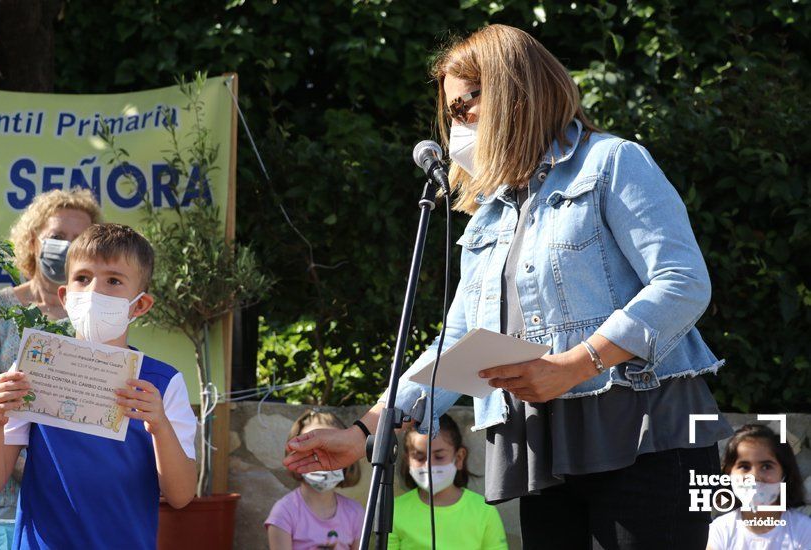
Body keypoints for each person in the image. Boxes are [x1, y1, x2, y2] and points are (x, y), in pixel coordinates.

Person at [284, 24, 733, 549]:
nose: (459, 124)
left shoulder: (612, 162)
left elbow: (682, 283)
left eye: (466, 104)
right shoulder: (488, 216)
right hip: (541, 443)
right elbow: (456, 347)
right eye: (452, 111)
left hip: (648, 430)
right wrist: (363, 433)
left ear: (516, 88)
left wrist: (575, 365)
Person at [0, 223, 198, 549]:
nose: (94, 292)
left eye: (114, 281)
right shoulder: (34, 369)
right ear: (65, 295)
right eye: (82, 278)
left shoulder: (163, 384)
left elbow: (181, 495)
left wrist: (159, 426)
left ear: (140, 305)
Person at [0, 187, 101, 518]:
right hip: (0, 503)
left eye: (77, 239)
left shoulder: (94, 319)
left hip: (70, 501)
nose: (65, 246)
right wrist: (21, 463)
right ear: (34, 240)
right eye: (57, 235)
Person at [388, 414, 507, 550]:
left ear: (459, 457)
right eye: (419, 457)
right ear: (407, 460)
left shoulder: (485, 511)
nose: (428, 465)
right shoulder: (394, 510)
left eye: (439, 456)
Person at [266, 410, 365, 550]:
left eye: (331, 448)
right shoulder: (284, 512)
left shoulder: (356, 513)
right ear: (294, 455)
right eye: (311, 450)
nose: (321, 459)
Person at [706, 424, 811, 549]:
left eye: (766, 466)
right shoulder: (719, 531)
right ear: (729, 474)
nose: (754, 476)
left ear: (785, 473)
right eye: (744, 467)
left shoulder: (804, 530)